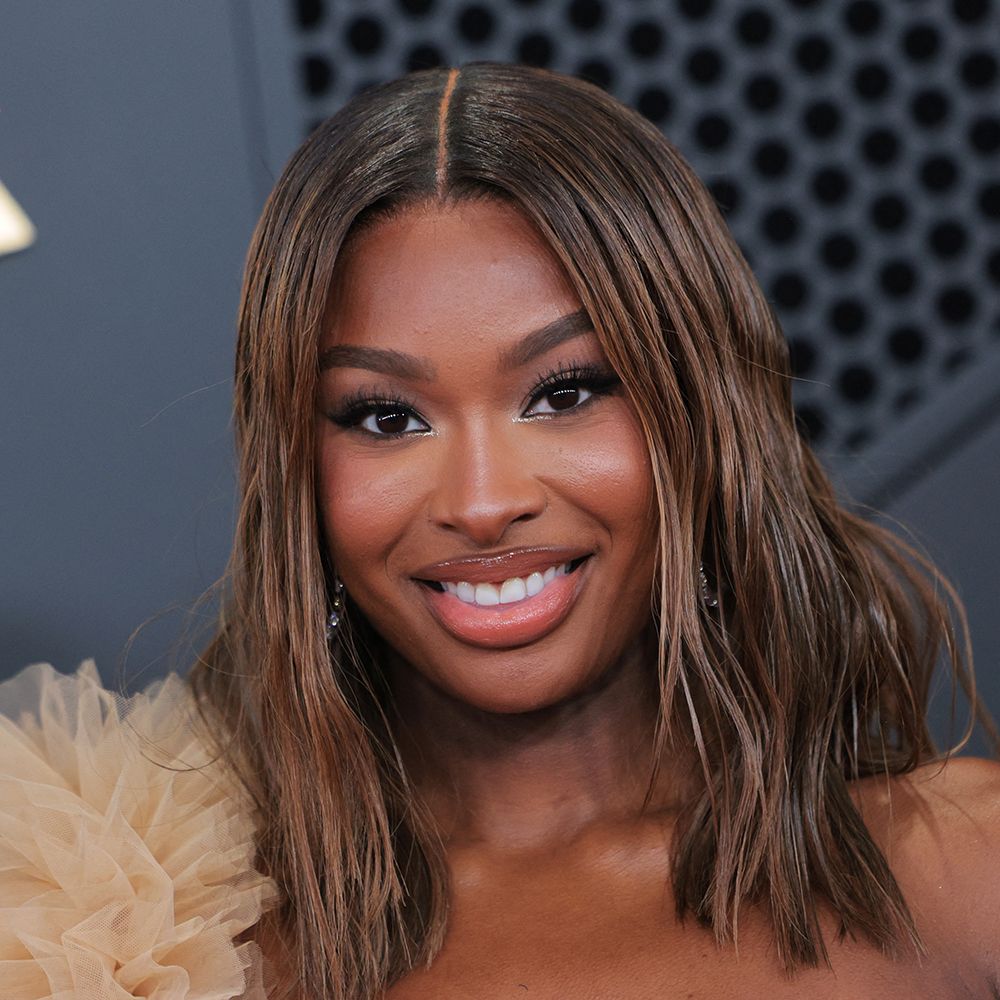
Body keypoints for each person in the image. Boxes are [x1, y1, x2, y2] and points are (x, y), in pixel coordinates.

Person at [2, 61, 999, 1000]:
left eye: (565, 392)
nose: (482, 502)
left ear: (701, 417)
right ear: (297, 471)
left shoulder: (964, 876)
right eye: (386, 417)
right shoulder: (170, 945)